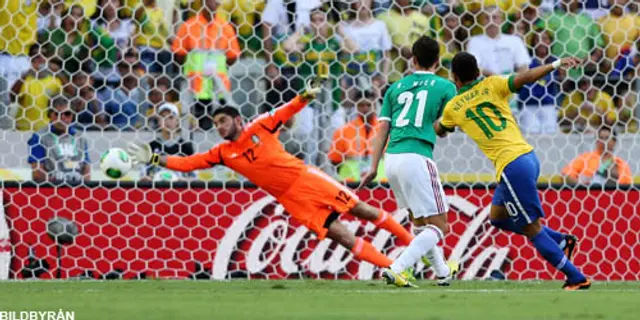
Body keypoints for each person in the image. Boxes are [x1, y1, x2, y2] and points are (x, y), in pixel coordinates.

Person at [127, 78, 415, 269]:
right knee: (341, 236)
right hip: (291, 199)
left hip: (306, 178)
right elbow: (188, 163)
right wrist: (155, 157)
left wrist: (304, 97)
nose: (220, 126)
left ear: (237, 119)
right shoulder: (222, 153)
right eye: (216, 123)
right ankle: (394, 269)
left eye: (223, 120)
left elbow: (285, 110)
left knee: (361, 210)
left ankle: (415, 246)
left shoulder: (259, 126)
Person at [434, 52, 589, 290]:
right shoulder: (493, 84)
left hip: (511, 165)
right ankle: (561, 239)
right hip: (527, 157)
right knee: (497, 217)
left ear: (454, 76)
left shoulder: (453, 107)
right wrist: (556, 63)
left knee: (531, 228)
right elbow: (526, 76)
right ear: (478, 71)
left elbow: (441, 130)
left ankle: (576, 277)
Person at [359, 36, 459, 288]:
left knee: (419, 222)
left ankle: (442, 271)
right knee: (439, 226)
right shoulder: (446, 87)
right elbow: (445, 128)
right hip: (417, 156)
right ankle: (397, 268)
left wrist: (373, 166)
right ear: (438, 61)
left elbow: (382, 128)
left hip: (391, 159)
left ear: (412, 60)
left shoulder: (395, 87)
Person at [171, 0, 241, 131]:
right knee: (195, 128)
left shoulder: (226, 27)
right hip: (195, 88)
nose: (216, 2)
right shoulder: (189, 25)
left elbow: (233, 56)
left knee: (216, 129)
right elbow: (178, 55)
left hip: (218, 88)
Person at [27, 95, 90, 183]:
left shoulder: (80, 137)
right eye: (58, 113)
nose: (63, 117)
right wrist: (60, 181)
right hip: (50, 190)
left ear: (72, 116)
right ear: (50, 115)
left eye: (67, 113)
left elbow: (87, 171)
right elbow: (37, 174)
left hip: (77, 190)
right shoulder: (39, 137)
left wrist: (79, 181)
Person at [328, 90, 383, 182]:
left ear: (374, 106)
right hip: (351, 182)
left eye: (368, 105)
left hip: (380, 182)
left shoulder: (385, 131)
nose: (365, 108)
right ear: (356, 107)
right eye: (361, 105)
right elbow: (335, 160)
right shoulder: (343, 131)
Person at [141, 103, 195, 181]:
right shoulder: (151, 146)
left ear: (177, 121)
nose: (167, 121)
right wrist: (147, 178)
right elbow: (144, 172)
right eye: (163, 117)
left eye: (171, 117)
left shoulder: (186, 147)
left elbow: (194, 176)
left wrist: (185, 180)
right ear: (159, 122)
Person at [562, 126, 632, 186]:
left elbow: (628, 187)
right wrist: (583, 187)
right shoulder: (585, 158)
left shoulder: (621, 164)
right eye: (601, 138)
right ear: (596, 141)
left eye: (607, 138)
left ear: (614, 141)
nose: (603, 141)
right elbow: (566, 174)